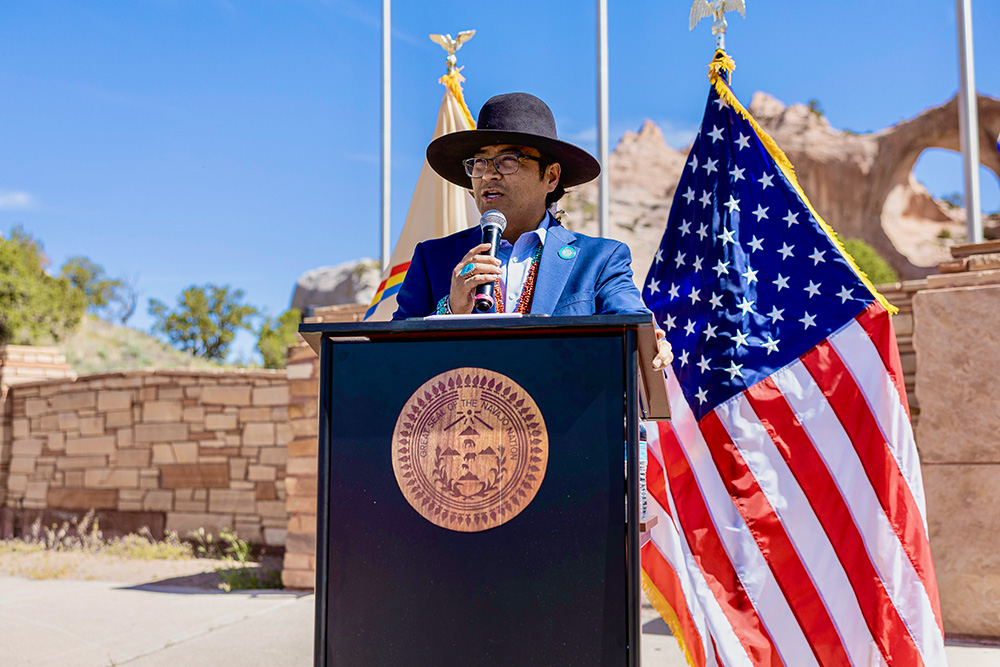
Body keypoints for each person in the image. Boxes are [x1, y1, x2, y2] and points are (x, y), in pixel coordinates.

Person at [393, 92, 672, 370]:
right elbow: (392, 356)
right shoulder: (434, 259)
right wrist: (451, 310)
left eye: (507, 160)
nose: (489, 174)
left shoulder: (599, 259)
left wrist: (649, 341)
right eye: (480, 163)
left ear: (550, 176)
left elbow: (631, 321)